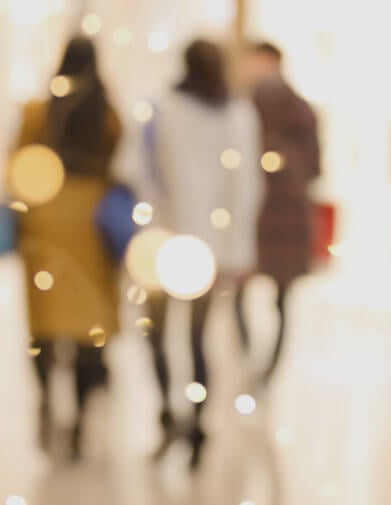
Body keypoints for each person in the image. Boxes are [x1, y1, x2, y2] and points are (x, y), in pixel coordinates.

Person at [141, 39, 264, 469]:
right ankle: (195, 423)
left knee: (158, 335)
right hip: (210, 246)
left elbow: (146, 176)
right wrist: (236, 250)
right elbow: (245, 188)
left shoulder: (166, 109)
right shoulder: (238, 115)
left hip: (167, 240)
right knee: (196, 339)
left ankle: (170, 415)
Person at [13, 36, 122, 462]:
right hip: (91, 224)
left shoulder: (38, 113)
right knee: (86, 327)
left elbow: (19, 164)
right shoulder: (107, 116)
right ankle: (76, 419)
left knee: (44, 324)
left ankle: (45, 398)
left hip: (45, 223)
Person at [235, 41, 321, 388]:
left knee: (257, 291)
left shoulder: (248, 108)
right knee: (275, 296)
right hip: (278, 213)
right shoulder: (291, 108)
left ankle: (257, 365)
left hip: (261, 211)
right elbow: (315, 165)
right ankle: (261, 367)